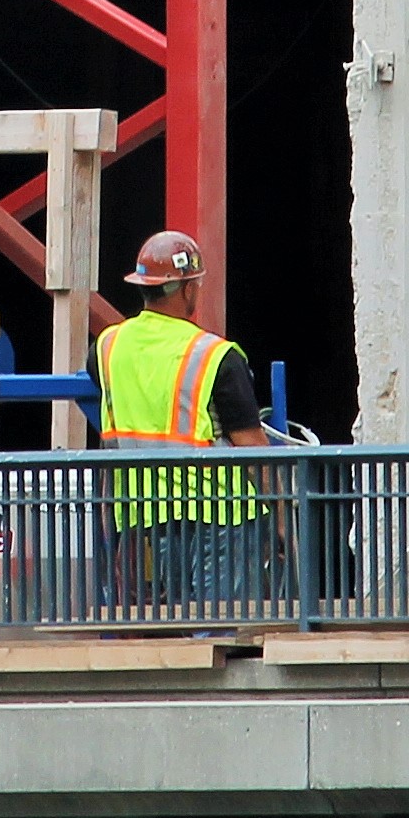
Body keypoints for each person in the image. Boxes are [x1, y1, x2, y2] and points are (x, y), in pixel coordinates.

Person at [94, 230, 274, 609]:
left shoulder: (107, 347)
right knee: (225, 626)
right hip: (225, 514)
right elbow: (256, 453)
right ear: (188, 289)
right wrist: (288, 519)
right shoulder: (214, 356)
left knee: (172, 627)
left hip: (149, 514)